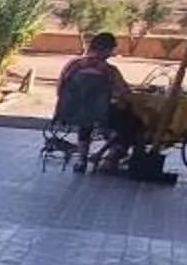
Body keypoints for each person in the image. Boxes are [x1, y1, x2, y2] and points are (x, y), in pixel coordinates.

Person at [50, 34, 129, 172]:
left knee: (86, 123)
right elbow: (124, 92)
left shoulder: (72, 66)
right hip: (101, 114)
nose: (112, 53)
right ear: (105, 49)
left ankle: (82, 160)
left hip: (73, 112)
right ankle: (112, 155)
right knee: (129, 123)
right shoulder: (109, 70)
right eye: (111, 49)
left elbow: (60, 89)